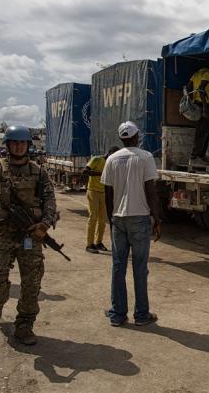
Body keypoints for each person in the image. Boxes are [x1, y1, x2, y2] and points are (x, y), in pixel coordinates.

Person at [0, 125, 56, 345]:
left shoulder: (38, 172)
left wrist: (45, 224)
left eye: (22, 142)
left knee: (32, 283)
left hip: (29, 237)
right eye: (14, 142)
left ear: (28, 145)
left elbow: (50, 201)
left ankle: (24, 325)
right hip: (1, 236)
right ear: (7, 145)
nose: (18, 146)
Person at [101, 121, 161, 327]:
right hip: (140, 218)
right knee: (140, 268)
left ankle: (118, 314)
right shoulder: (145, 157)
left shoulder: (111, 159)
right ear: (137, 137)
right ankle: (141, 315)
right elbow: (151, 191)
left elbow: (107, 194)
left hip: (118, 219)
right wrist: (157, 218)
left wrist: (111, 219)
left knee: (118, 267)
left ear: (121, 139)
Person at [83, 146, 120, 254]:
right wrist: (100, 174)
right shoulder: (96, 159)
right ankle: (89, 244)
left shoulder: (112, 164)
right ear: (109, 153)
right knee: (93, 217)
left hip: (103, 193)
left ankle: (98, 242)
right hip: (93, 191)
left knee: (103, 220)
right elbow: (85, 171)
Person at [186, 67, 209, 166]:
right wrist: (205, 107)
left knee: (204, 131)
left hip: (197, 104)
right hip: (203, 105)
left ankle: (201, 156)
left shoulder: (196, 74)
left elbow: (188, 88)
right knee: (202, 132)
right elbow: (201, 89)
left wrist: (191, 102)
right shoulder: (208, 73)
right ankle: (194, 157)